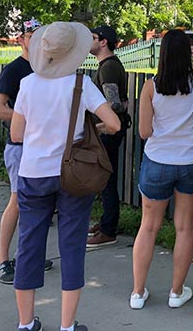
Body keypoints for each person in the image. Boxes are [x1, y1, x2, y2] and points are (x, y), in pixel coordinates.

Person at [10, 21, 121, 331]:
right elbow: (114, 124)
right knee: (71, 247)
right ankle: (67, 326)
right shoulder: (80, 85)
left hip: (33, 173)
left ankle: (25, 323)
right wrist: (91, 129)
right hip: (72, 173)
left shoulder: (28, 84)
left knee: (29, 245)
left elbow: (16, 134)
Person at [130, 30, 193, 310]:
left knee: (148, 227)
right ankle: (176, 292)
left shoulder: (151, 86)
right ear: (186, 52)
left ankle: (138, 292)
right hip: (191, 162)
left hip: (157, 162)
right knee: (184, 228)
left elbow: (144, 131)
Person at [0, 18, 52, 284]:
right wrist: (27, 119)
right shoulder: (15, 70)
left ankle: (29, 255)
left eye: (40, 35)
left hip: (40, 147)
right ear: (21, 40)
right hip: (19, 147)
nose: (36, 39)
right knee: (16, 201)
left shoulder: (46, 68)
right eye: (31, 35)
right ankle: (1, 261)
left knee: (36, 204)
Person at [87, 24, 130, 248]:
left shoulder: (108, 67)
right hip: (107, 129)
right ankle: (106, 223)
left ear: (103, 42)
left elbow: (113, 103)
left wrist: (122, 105)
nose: (90, 41)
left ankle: (108, 229)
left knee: (107, 179)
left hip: (108, 129)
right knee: (106, 178)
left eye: (93, 37)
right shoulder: (108, 65)